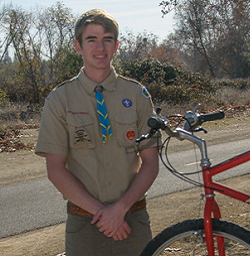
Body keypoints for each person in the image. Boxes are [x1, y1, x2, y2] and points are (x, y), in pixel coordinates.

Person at [35, 9, 160, 256]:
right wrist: (104, 214)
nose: (100, 47)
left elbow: (150, 162)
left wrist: (120, 209)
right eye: (91, 39)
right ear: (78, 46)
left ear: (116, 45)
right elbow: (56, 170)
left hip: (133, 219)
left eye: (107, 39)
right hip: (85, 224)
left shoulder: (137, 95)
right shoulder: (60, 100)